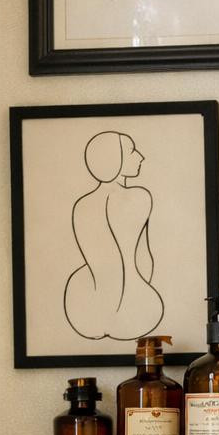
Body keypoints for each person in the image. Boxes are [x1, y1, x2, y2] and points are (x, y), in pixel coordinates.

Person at [63, 131, 164, 340]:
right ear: (114, 159)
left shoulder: (82, 205)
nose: (140, 156)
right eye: (131, 151)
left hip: (83, 311)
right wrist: (138, 296)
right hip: (135, 310)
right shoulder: (139, 197)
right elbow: (142, 257)